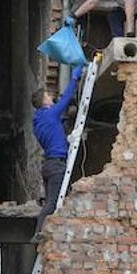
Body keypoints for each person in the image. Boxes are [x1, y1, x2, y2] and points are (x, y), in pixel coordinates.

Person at [30, 64, 84, 241]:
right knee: (53, 203)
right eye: (48, 95)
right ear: (44, 101)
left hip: (48, 165)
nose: (51, 96)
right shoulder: (50, 114)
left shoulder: (39, 121)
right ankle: (39, 233)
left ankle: (43, 232)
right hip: (56, 165)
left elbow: (54, 127)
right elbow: (66, 97)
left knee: (51, 201)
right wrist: (75, 77)